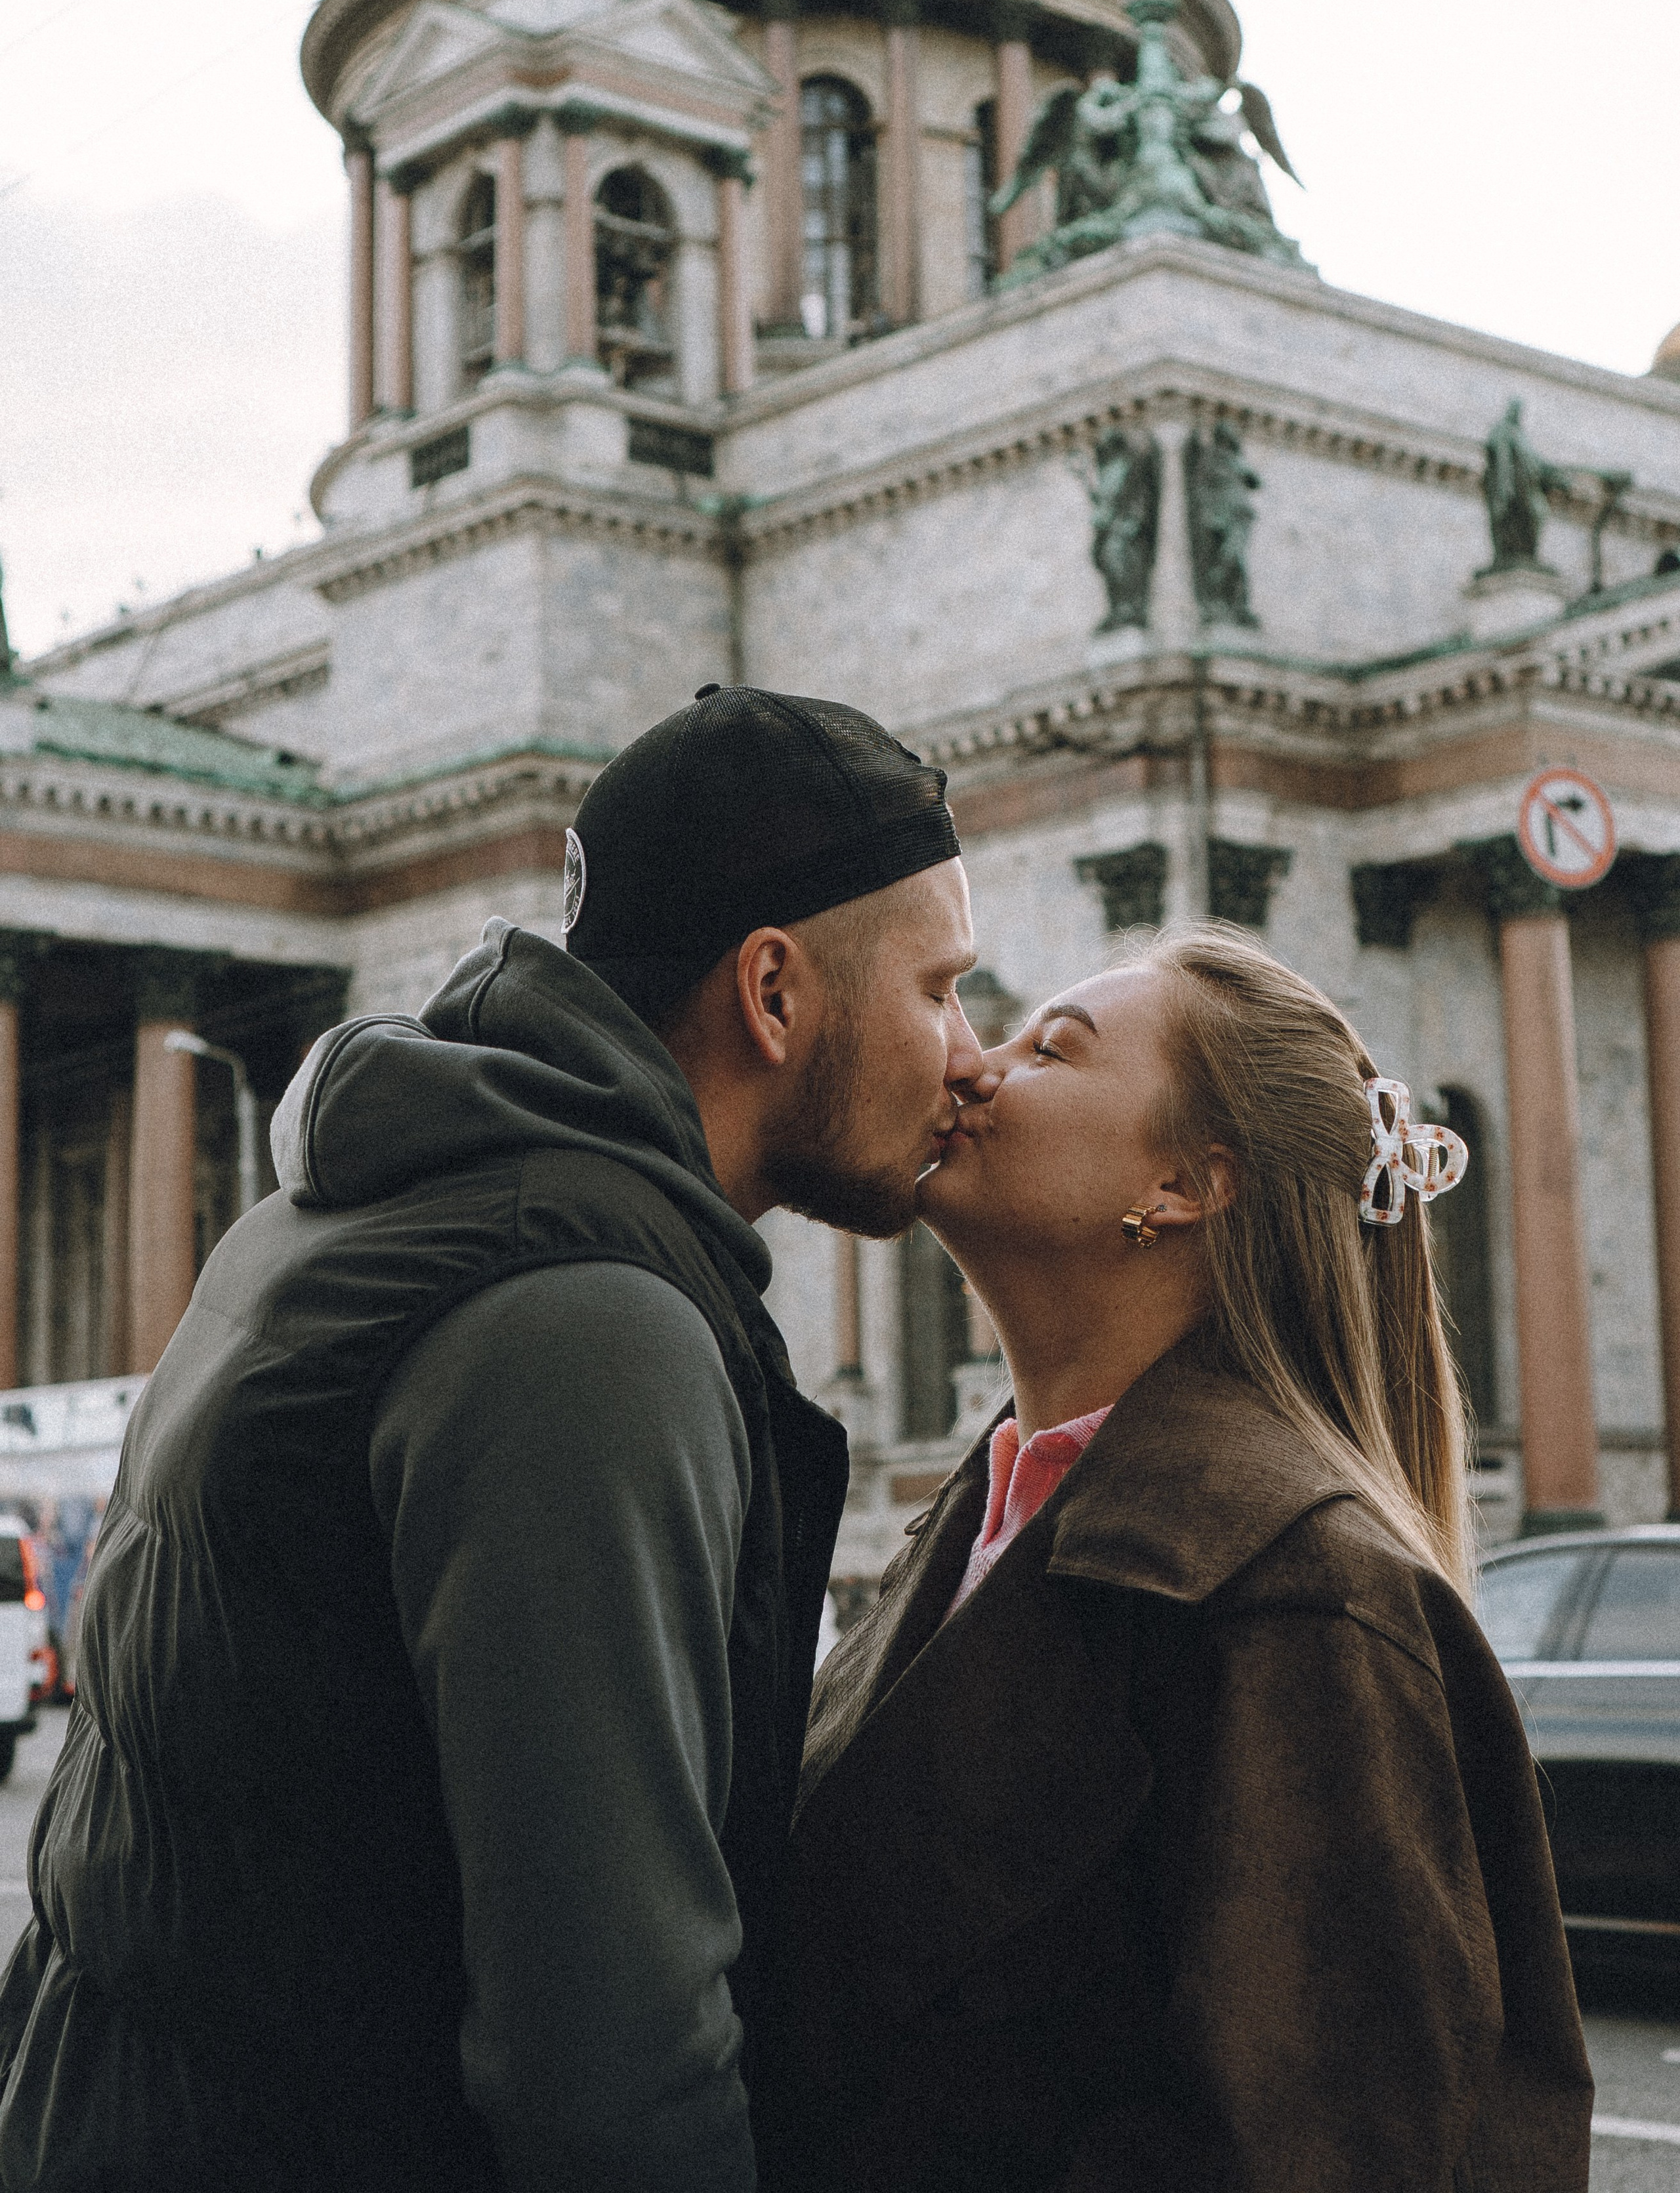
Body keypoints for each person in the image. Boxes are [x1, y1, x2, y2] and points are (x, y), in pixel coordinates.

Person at [0, 686, 984, 2193]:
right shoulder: (584, 1323)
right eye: (938, 989)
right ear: (774, 993)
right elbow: (612, 2071)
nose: (969, 1055)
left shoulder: (356, 1203)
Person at [757, 927, 1593, 2193]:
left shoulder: (1304, 1595)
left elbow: (1313, 2144)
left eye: (1053, 1047)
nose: (975, 1065)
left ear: (1187, 1186)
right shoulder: (989, 1518)